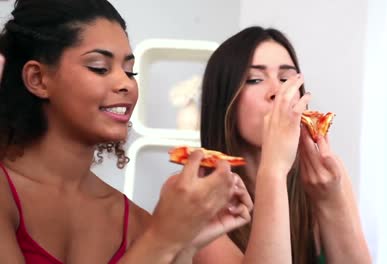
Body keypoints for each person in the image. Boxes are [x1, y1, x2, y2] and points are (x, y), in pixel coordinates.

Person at [0, 0, 252, 263]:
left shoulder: (135, 221)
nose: (126, 84)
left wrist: (186, 245)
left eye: (130, 72)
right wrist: (164, 238)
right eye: (99, 67)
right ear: (37, 79)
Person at [194, 26, 372, 264]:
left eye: (286, 79)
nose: (278, 92)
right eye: (255, 79)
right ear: (224, 100)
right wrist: (274, 170)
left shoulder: (326, 178)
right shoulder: (194, 194)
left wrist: (329, 202)